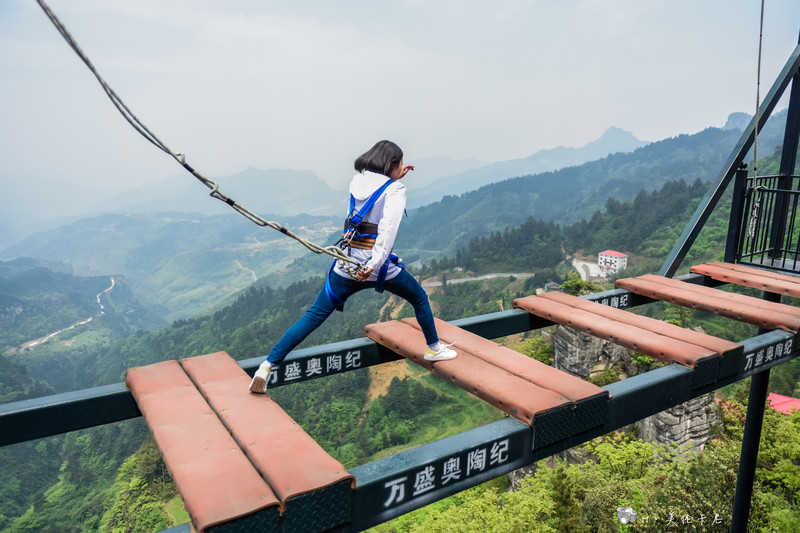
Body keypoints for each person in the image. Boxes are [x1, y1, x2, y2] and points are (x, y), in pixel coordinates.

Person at [249, 140, 456, 393]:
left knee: (313, 315)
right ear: (392, 165)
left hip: (345, 264)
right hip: (378, 267)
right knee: (420, 298)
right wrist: (375, 263)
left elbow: (374, 196)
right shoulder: (396, 189)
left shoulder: (357, 182)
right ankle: (434, 349)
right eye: (399, 164)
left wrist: (394, 176)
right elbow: (387, 230)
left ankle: (267, 366)